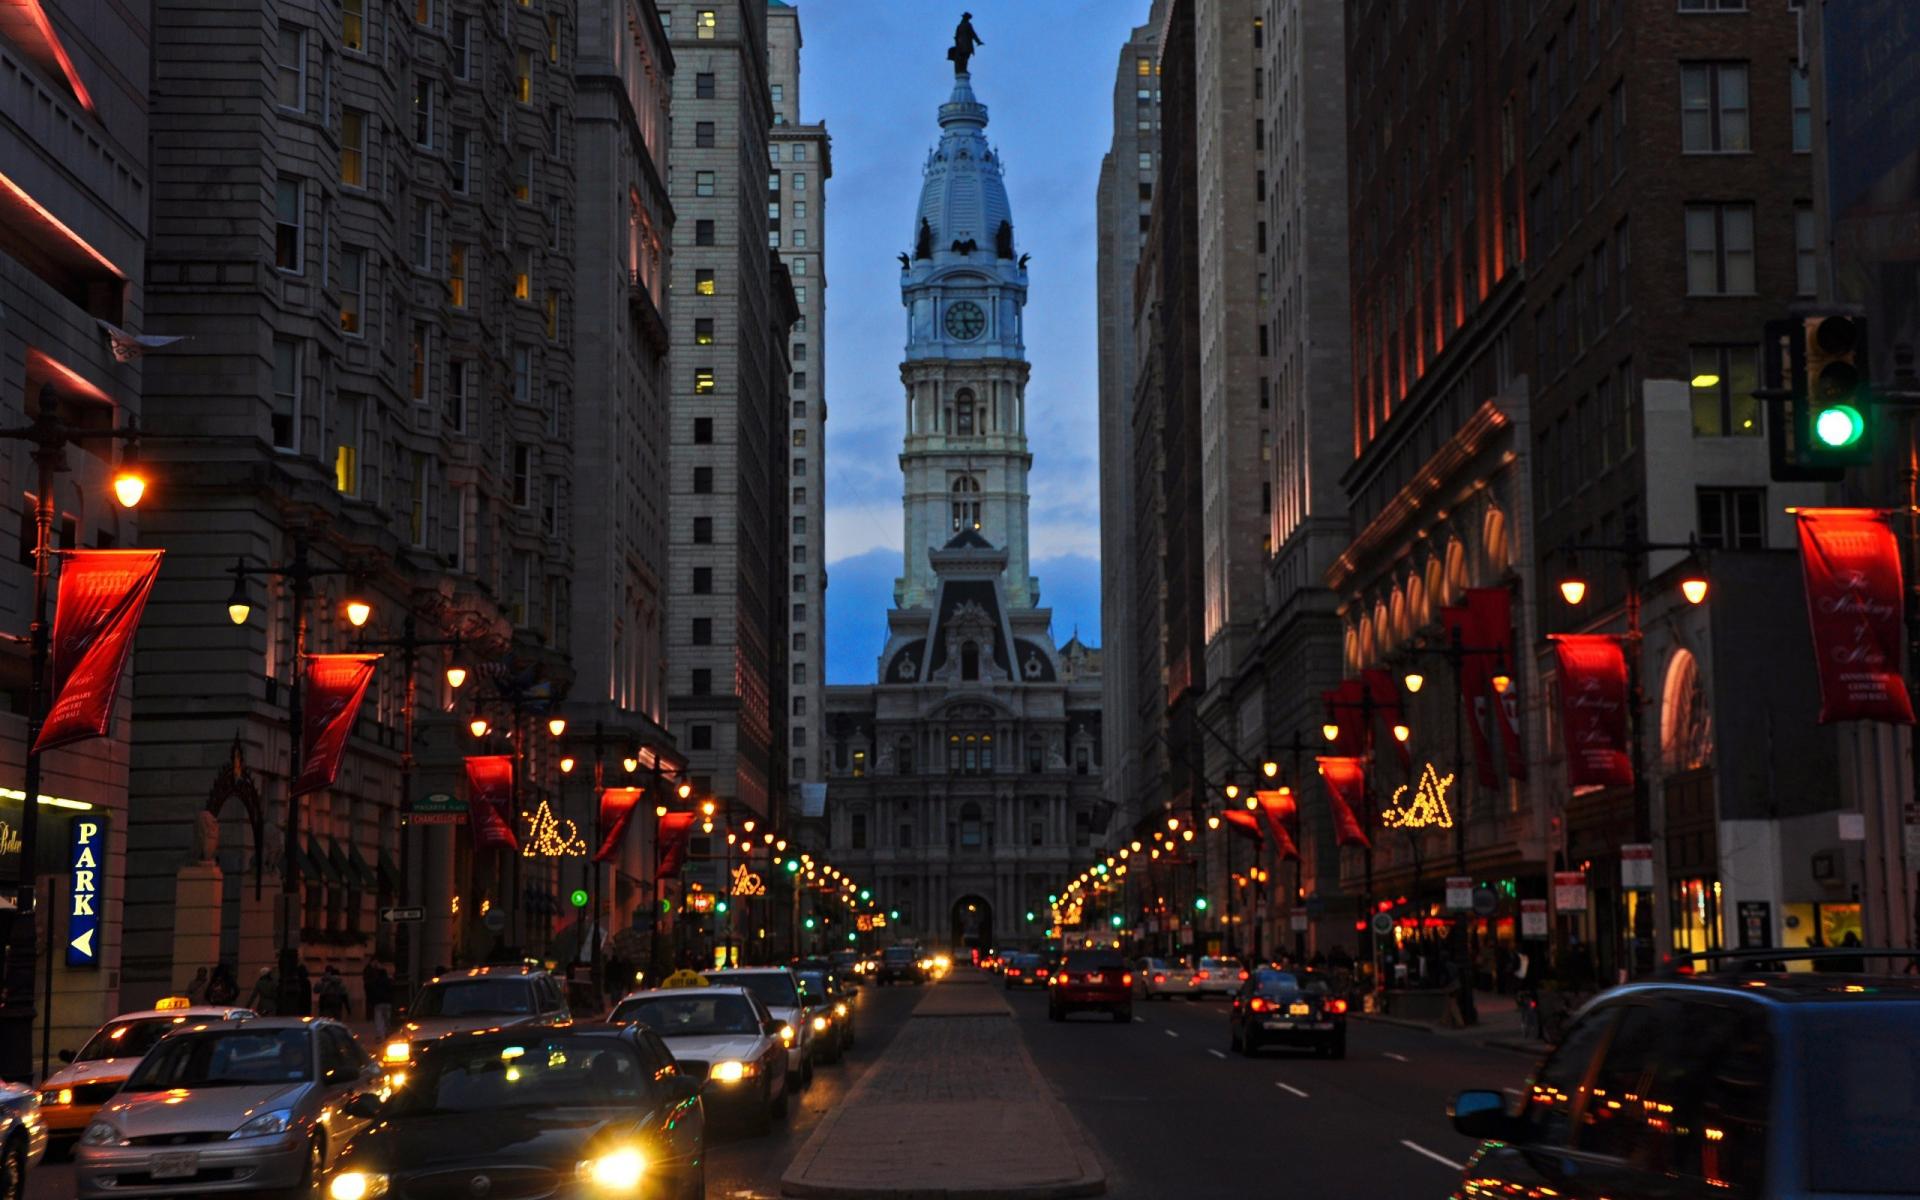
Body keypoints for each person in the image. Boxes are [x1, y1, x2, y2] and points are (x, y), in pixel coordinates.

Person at [363, 960, 393, 1039]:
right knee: (387, 1019)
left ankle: (380, 1035)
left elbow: (372, 991)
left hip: (378, 1003)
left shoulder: (375, 981)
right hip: (388, 1002)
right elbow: (391, 990)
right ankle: (387, 1032)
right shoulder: (389, 981)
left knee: (379, 1019)